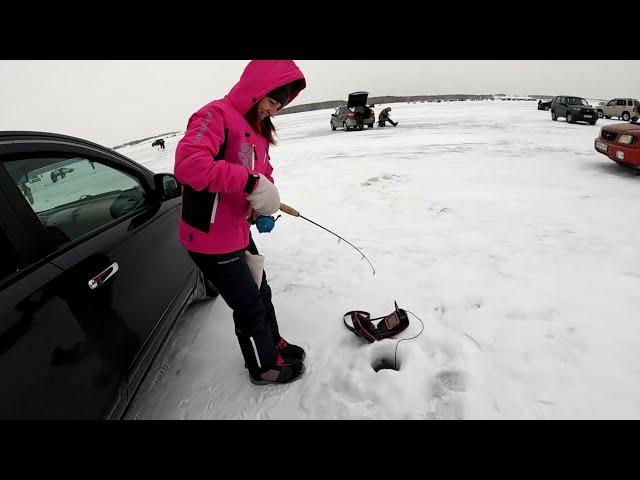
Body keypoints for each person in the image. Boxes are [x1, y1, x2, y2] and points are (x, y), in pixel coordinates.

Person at [174, 60, 307, 385]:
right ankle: (263, 367)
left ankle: (273, 344)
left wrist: (262, 202)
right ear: (257, 91)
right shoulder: (214, 115)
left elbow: (263, 171)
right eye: (273, 102)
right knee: (248, 304)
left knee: (261, 292)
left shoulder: (257, 130)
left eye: (280, 105)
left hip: (235, 231)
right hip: (210, 239)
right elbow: (190, 166)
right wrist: (250, 184)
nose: (275, 111)